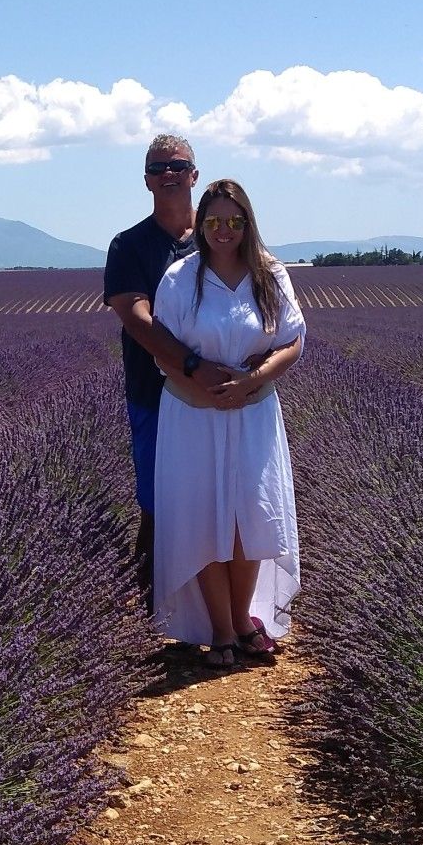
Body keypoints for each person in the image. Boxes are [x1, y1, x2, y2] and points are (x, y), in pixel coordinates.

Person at [150, 179, 305, 667]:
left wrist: (250, 382)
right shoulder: (180, 277)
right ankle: (218, 628)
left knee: (250, 519)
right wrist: (204, 386)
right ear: (202, 224)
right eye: (213, 221)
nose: (223, 230)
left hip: (254, 412)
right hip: (193, 414)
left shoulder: (270, 273)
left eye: (233, 221)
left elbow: (293, 341)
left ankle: (241, 621)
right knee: (203, 519)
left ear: (247, 223)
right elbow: (161, 345)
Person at [103, 134, 239, 605]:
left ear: (194, 175)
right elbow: (136, 318)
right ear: (146, 180)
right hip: (155, 392)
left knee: (219, 497)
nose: (169, 174)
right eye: (158, 168)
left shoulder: (221, 238)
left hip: (218, 395)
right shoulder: (129, 246)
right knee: (159, 500)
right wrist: (192, 366)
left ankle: (217, 607)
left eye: (178, 166)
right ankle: (154, 607)